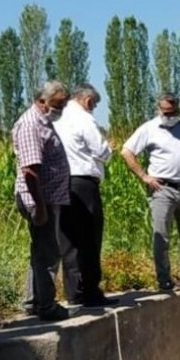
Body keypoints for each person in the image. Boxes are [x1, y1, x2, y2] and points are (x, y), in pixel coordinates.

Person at [121, 93, 180, 291]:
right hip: (162, 189)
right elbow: (126, 151)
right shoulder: (149, 128)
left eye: (174, 112)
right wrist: (144, 176)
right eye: (167, 112)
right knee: (161, 236)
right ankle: (164, 278)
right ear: (159, 110)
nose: (171, 116)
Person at [12, 81, 73, 321]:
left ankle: (33, 301)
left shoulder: (43, 121)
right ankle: (46, 306)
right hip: (39, 199)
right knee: (48, 253)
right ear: (42, 101)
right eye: (58, 105)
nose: (61, 109)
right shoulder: (30, 125)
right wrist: (40, 207)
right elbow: (30, 171)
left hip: (47, 198)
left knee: (40, 250)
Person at [52, 83, 116, 307]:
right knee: (89, 236)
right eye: (95, 105)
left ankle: (73, 291)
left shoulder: (57, 116)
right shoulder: (84, 118)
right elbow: (100, 150)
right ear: (88, 101)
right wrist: (110, 148)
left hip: (60, 181)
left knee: (68, 238)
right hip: (83, 182)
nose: (94, 108)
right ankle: (90, 290)